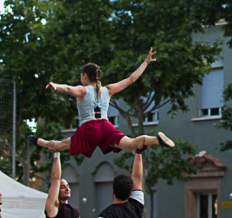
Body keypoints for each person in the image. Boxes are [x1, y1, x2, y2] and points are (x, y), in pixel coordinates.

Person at [28, 49, 175, 157]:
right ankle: (156, 139)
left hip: (90, 128)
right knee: (131, 144)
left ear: (85, 75)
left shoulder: (83, 90)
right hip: (106, 126)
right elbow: (131, 79)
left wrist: (55, 85)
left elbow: (68, 88)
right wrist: (145, 63)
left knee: (60, 146)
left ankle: (39, 142)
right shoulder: (108, 90)